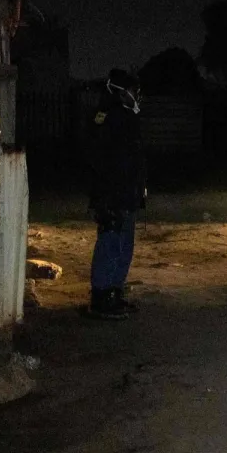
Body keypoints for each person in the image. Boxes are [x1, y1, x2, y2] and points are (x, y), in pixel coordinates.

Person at [87, 69, 147, 320]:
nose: (137, 96)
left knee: (123, 245)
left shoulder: (126, 118)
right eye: (133, 91)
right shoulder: (109, 119)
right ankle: (101, 298)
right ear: (121, 93)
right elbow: (102, 162)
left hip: (126, 194)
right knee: (111, 244)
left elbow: (134, 160)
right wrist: (103, 198)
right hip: (113, 196)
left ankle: (114, 292)